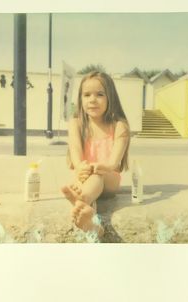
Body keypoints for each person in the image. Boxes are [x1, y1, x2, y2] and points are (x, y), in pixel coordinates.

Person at [61, 71, 130, 239]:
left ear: (110, 98)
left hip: (108, 177)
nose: (92, 99)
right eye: (86, 95)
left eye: (100, 94)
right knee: (85, 177)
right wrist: (80, 166)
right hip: (84, 175)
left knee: (96, 176)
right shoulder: (76, 123)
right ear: (80, 99)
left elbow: (114, 162)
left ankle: (80, 199)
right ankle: (92, 225)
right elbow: (76, 151)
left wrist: (101, 167)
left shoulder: (119, 125)